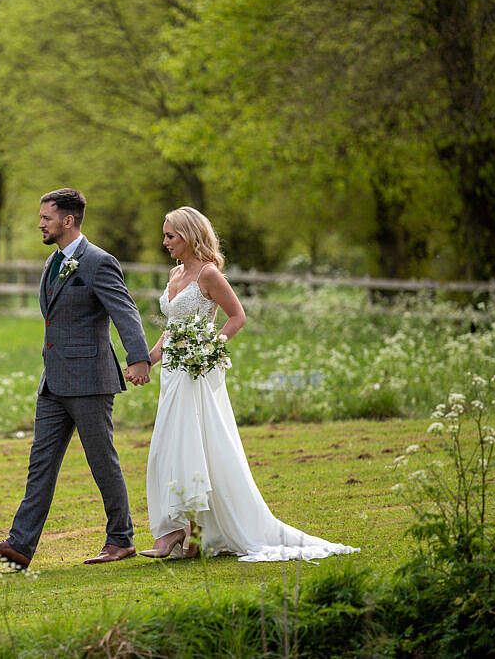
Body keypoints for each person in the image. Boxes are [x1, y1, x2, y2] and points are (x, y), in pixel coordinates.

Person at [140, 206, 359, 562]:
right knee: (171, 446)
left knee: (196, 447)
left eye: (170, 236)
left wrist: (210, 348)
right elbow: (172, 328)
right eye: (165, 235)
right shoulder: (173, 274)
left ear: (190, 236)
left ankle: (188, 534)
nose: (164, 242)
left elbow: (236, 316)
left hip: (197, 374)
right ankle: (186, 532)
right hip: (173, 374)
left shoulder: (208, 275)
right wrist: (147, 360)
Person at [0, 188, 151, 569]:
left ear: (67, 220)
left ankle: (121, 539)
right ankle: (19, 547)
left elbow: (126, 311)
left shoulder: (99, 262)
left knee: (102, 462)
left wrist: (138, 359)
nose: (40, 224)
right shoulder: (52, 263)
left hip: (90, 380)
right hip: (53, 382)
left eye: (46, 218)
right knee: (41, 464)